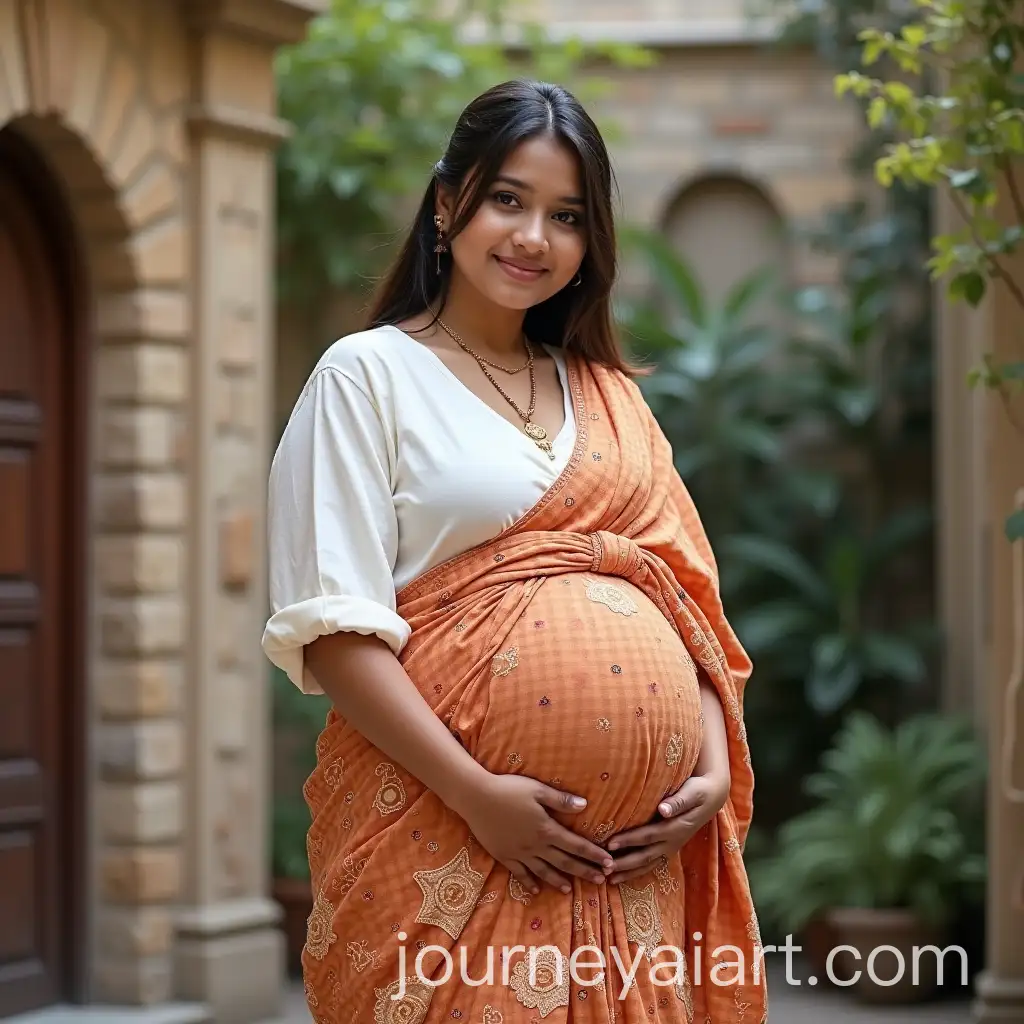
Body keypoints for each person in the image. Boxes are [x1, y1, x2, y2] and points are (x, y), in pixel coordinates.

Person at [262, 79, 767, 1024]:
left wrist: (705, 766)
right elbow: (334, 631)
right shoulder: (368, 375)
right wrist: (478, 795)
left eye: (566, 215)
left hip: (631, 880)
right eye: (509, 199)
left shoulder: (608, 393)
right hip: (445, 836)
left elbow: (683, 597)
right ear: (448, 206)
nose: (535, 236)